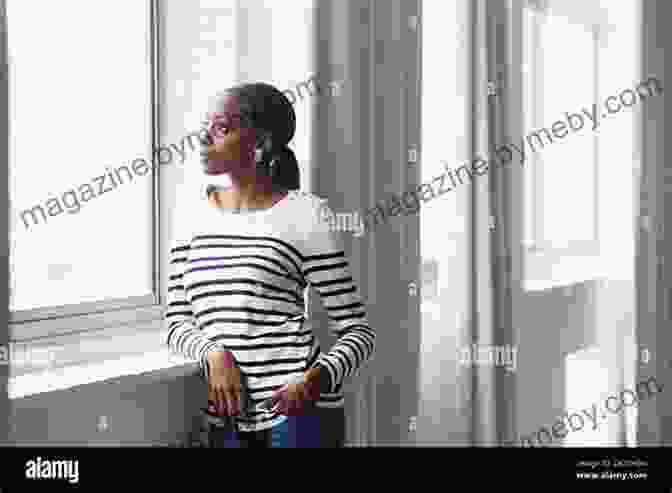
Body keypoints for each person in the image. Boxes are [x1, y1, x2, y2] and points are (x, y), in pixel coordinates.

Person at [164, 82, 376, 448]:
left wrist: (316, 380)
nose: (202, 138)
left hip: (299, 419)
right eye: (205, 125)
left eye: (222, 128)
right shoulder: (189, 215)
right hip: (226, 419)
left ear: (260, 144)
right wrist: (213, 354)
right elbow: (176, 323)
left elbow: (358, 333)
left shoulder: (306, 214)